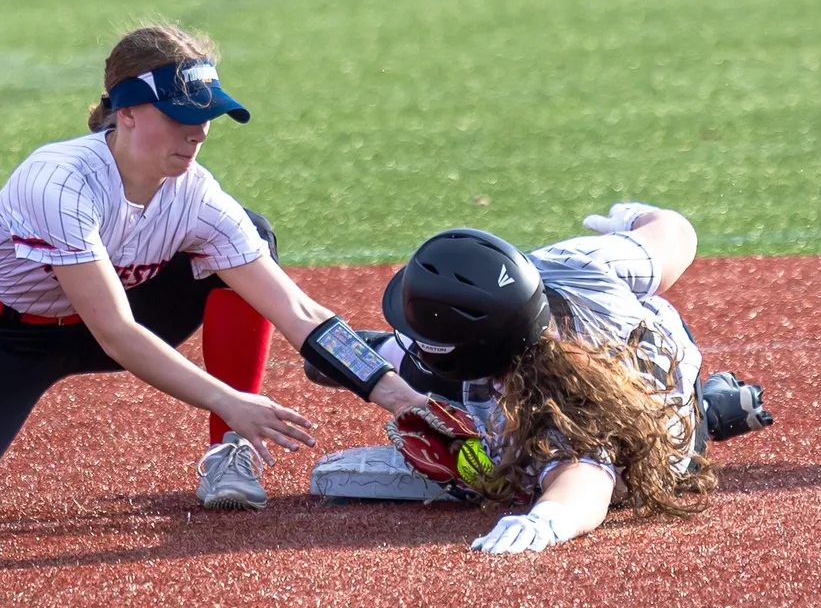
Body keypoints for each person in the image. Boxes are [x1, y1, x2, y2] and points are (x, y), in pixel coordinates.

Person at [0, 22, 428, 522]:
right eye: (182, 116)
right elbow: (115, 333)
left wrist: (405, 400)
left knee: (251, 236)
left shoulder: (197, 195)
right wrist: (227, 398)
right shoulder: (57, 181)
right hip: (7, 334)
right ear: (126, 113)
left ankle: (230, 453)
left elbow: (299, 311)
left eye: (207, 116)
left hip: (133, 311)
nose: (199, 132)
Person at [310, 202, 773, 554]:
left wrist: (545, 520)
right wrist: (632, 215)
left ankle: (707, 411)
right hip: (670, 372)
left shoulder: (549, 409)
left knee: (511, 466)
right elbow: (676, 234)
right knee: (345, 361)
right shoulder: (573, 264)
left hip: (662, 450)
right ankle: (708, 407)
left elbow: (589, 481)